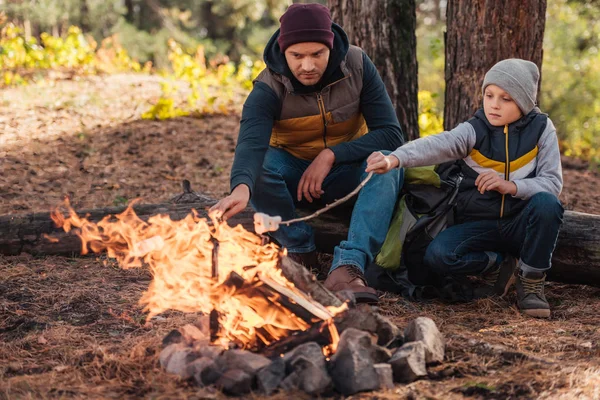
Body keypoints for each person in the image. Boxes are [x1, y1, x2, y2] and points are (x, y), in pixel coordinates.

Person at [210, 3, 404, 303]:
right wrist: (241, 188)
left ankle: (347, 268)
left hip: (348, 173)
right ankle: (299, 252)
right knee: (262, 165)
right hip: (292, 177)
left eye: (317, 54)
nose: (308, 66)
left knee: (388, 162)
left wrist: (330, 155)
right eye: (297, 56)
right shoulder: (267, 86)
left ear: (331, 46)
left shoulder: (358, 64)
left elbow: (390, 133)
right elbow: (251, 144)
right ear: (283, 51)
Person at [366, 59, 564, 318]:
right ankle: (500, 264)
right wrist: (394, 159)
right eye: (489, 95)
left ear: (524, 102)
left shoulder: (541, 129)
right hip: (478, 225)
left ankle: (531, 282)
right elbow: (437, 144)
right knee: (438, 256)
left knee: (548, 205)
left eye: (506, 98)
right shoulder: (474, 129)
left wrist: (511, 186)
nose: (494, 104)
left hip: (521, 223)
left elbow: (552, 183)